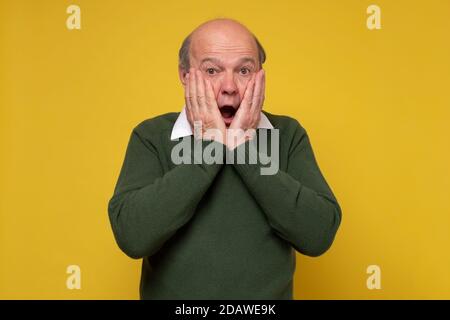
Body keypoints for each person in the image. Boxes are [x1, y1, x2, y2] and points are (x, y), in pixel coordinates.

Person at [108, 18, 342, 299]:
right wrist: (210, 147)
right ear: (185, 75)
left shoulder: (287, 134)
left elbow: (317, 234)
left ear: (259, 77)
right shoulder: (152, 136)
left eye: (244, 70)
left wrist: (242, 148)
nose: (229, 86)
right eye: (212, 70)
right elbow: (133, 236)